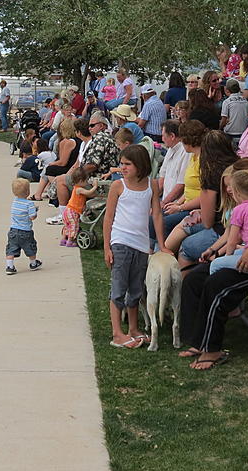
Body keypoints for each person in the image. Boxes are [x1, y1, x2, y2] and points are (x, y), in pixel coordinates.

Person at [177, 161, 248, 370]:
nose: (229, 190)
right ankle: (197, 339)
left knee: (216, 285)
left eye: (231, 185)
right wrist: (214, 251)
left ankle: (212, 348)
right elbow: (232, 231)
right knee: (195, 278)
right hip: (247, 253)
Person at [103, 145, 167, 349]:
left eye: (127, 164)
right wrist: (107, 247)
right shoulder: (118, 186)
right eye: (121, 163)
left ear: (140, 165)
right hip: (120, 242)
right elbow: (109, 217)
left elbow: (156, 214)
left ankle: (133, 328)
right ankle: (117, 333)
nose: (122, 167)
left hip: (141, 245)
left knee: (136, 289)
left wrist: (162, 244)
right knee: (119, 288)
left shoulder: (152, 185)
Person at [165, 130, 239, 266]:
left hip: (225, 229)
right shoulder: (238, 167)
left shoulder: (211, 174)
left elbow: (207, 223)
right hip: (230, 225)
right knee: (184, 223)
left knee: (186, 247)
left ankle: (168, 272)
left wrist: (198, 211)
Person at [33, 117, 80, 206]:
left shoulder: (67, 142)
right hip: (73, 165)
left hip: (69, 167)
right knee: (50, 168)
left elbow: (62, 162)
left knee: (50, 169)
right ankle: (41, 193)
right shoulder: (78, 140)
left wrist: (51, 163)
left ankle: (56, 192)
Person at [5, 178, 42, 275]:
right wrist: (35, 211)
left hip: (13, 231)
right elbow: (32, 217)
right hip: (25, 231)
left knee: (11, 248)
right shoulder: (29, 204)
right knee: (30, 247)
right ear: (28, 192)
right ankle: (33, 264)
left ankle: (10, 266)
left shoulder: (14, 202)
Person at [157, 121, 191, 210]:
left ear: (172, 136)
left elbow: (181, 185)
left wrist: (163, 203)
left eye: (164, 136)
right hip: (165, 200)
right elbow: (162, 175)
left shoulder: (186, 152)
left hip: (175, 203)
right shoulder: (171, 148)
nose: (162, 139)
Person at [61, 172, 97, 247]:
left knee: (67, 226)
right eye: (86, 181)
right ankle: (70, 241)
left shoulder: (76, 188)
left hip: (68, 210)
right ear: (81, 181)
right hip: (72, 211)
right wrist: (95, 186)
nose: (87, 183)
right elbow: (89, 192)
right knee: (74, 226)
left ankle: (64, 239)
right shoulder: (79, 189)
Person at [219, 78, 248, 147]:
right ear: (239, 89)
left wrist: (219, 128)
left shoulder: (227, 102)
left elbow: (224, 120)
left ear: (227, 90)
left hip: (230, 134)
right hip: (244, 133)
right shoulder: (245, 101)